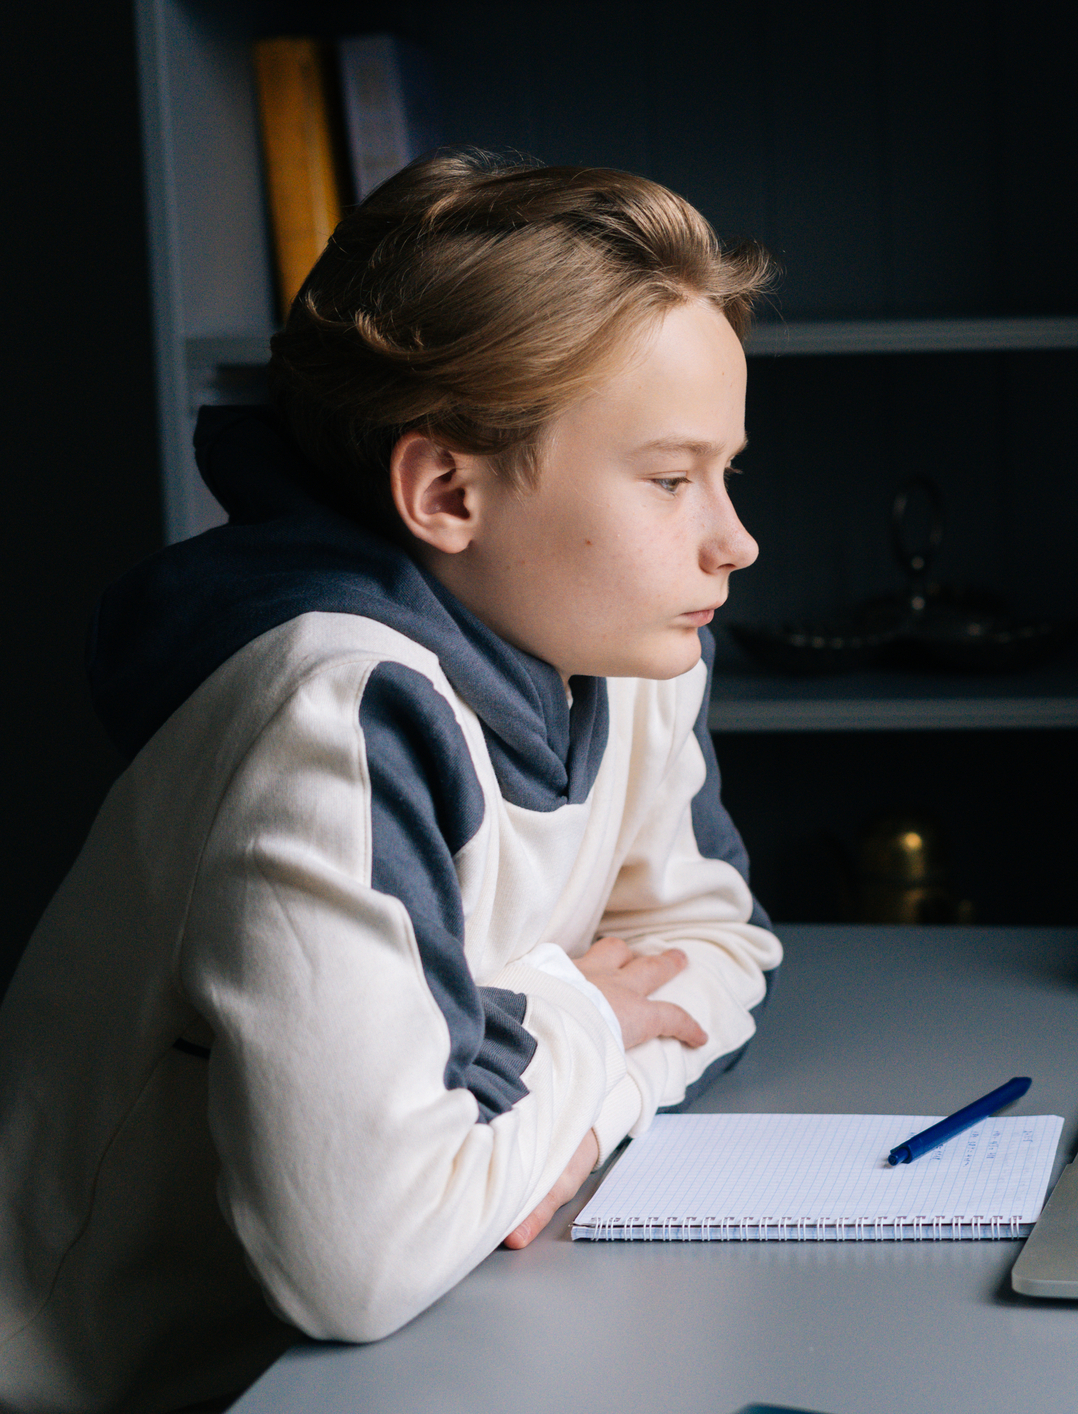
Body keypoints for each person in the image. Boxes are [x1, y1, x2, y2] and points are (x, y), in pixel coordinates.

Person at [0, 151, 780, 1413]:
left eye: (727, 471)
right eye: (671, 477)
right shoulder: (338, 712)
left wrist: (583, 1110)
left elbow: (714, 948)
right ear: (446, 491)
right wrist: (578, 1006)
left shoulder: (624, 642)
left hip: (418, 1343)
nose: (733, 538)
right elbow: (353, 1262)